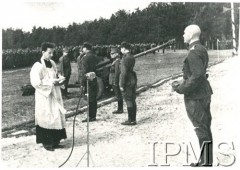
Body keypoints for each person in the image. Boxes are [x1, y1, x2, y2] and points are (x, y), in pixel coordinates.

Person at [172, 24, 213, 166]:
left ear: (190, 34)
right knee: (205, 126)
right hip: (204, 93)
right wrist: (184, 81)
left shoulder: (193, 52)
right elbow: (198, 74)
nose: (183, 35)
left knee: (200, 128)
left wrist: (180, 88)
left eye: (184, 33)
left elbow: (197, 76)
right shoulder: (201, 48)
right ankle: (207, 160)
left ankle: (205, 162)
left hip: (195, 96)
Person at [30, 42, 67, 151]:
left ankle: (55, 141)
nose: (51, 55)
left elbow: (56, 74)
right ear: (43, 52)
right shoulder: (37, 65)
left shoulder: (52, 63)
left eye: (52, 53)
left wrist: (60, 78)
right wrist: (51, 82)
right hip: (45, 95)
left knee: (55, 115)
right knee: (46, 116)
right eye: (49, 53)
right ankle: (47, 143)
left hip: (55, 93)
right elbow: (36, 82)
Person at [119, 41, 137, 125]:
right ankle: (133, 119)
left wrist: (122, 84)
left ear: (123, 48)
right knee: (132, 99)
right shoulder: (131, 56)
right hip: (132, 79)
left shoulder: (125, 58)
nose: (120, 50)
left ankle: (131, 120)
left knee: (128, 100)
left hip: (127, 81)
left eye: (121, 48)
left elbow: (123, 73)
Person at [80, 42, 98, 122]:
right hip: (94, 78)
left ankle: (90, 117)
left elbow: (84, 71)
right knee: (93, 98)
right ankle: (93, 115)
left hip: (88, 80)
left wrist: (82, 83)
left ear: (85, 49)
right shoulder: (95, 56)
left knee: (89, 99)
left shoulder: (85, 58)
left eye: (83, 48)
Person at [109, 47, 123, 114]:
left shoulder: (117, 61)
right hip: (113, 79)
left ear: (117, 54)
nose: (111, 55)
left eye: (112, 53)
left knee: (118, 94)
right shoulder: (115, 61)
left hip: (115, 80)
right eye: (111, 53)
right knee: (118, 94)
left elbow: (117, 72)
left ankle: (120, 109)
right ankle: (120, 108)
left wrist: (116, 81)